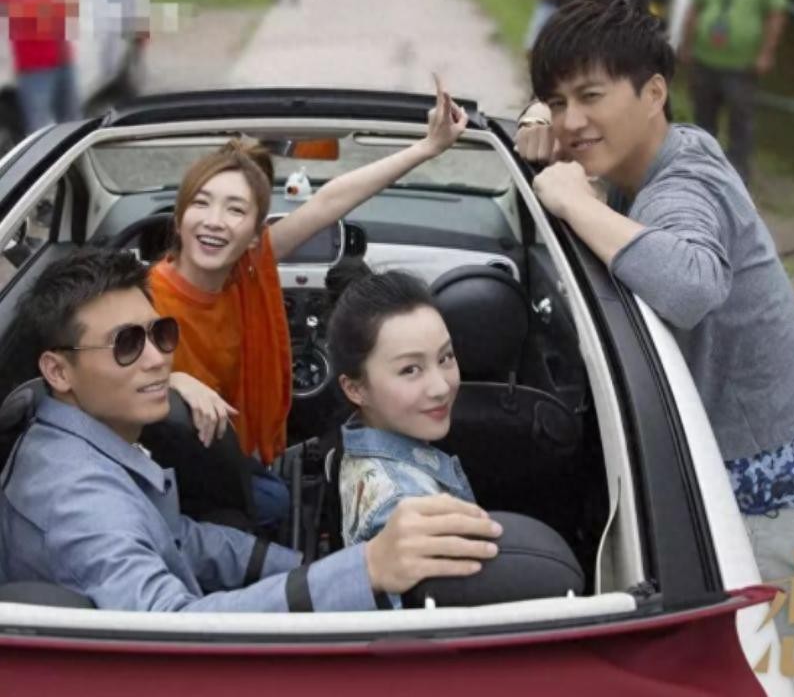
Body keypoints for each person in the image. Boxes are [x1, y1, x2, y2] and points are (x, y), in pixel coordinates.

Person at [516, 0, 794, 693]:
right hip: (730, 498)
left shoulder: (683, 184)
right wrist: (538, 119)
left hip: (776, 516)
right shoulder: (662, 154)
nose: (571, 120)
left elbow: (690, 285)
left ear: (654, 92)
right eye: (559, 102)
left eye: (590, 96)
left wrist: (575, 201)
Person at [0, 248, 502, 611]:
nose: (158, 361)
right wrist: (363, 569)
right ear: (58, 371)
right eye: (126, 345)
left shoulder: (75, 438)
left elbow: (179, 538)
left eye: (160, 333)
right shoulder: (79, 502)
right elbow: (171, 634)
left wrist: (303, 565)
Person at [149, 77, 467, 526]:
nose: (215, 222)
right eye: (201, 204)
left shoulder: (250, 265)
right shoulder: (142, 298)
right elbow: (103, 381)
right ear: (179, 217)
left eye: (236, 210)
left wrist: (427, 148)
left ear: (255, 233)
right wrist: (174, 380)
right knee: (276, 503)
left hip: (240, 447)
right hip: (183, 467)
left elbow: (328, 203)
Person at [328, 271, 475, 549]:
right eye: (410, 369)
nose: (441, 387)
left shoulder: (357, 435)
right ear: (355, 389)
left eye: (445, 357)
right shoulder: (408, 512)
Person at [679, 0, 789, 184]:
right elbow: (695, 7)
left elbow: (775, 14)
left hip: (742, 66)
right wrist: (686, 43)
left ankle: (737, 178)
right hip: (704, 59)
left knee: (740, 123)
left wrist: (766, 53)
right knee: (703, 119)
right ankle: (701, 170)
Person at [0, 0, 82, 134]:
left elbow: (69, 0)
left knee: (74, 124)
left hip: (64, 59)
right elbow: (16, 12)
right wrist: (52, 5)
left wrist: (38, 8)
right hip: (34, 68)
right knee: (40, 130)